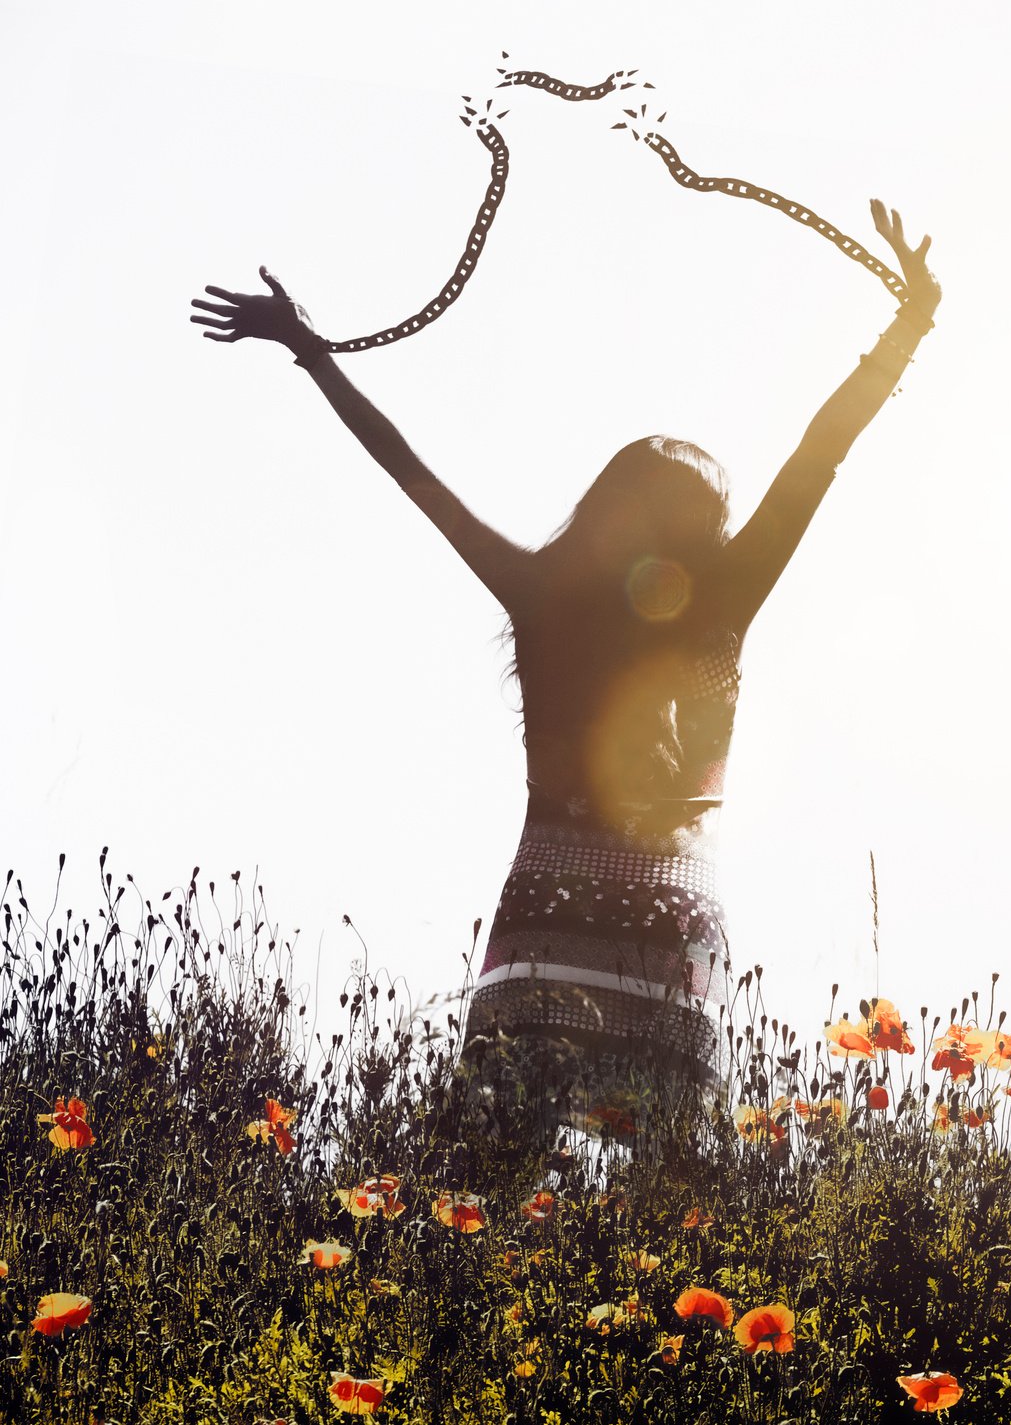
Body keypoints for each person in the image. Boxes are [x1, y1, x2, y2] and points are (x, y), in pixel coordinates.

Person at [188, 200, 940, 1118]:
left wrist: (310, 351)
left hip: (543, 915)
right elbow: (821, 453)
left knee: (490, 1172)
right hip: (671, 920)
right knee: (676, 1199)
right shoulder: (720, 607)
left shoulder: (541, 598)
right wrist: (910, 322)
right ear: (706, 529)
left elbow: (410, 472)